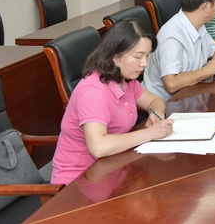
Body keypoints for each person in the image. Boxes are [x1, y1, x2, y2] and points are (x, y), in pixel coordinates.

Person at [51, 18, 175, 184]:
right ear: (114, 56)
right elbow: (98, 147)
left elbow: (155, 101)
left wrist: (156, 114)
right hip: (80, 181)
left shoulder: (125, 79)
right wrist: (151, 133)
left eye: (147, 56)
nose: (144, 63)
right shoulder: (93, 92)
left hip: (113, 166)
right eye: (138, 56)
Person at [144, 0, 215, 101]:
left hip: (192, 94)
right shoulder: (171, 37)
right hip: (166, 104)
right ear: (206, 7)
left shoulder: (198, 24)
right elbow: (171, 84)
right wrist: (209, 69)